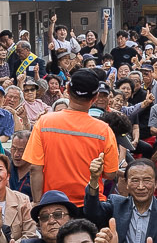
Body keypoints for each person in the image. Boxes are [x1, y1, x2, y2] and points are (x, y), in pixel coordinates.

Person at [23, 67, 121, 208]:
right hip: (91, 206)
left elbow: (35, 168)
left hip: (54, 205)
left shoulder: (44, 122)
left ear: (67, 90)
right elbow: (110, 173)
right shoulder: (104, 130)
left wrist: (38, 203)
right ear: (95, 98)